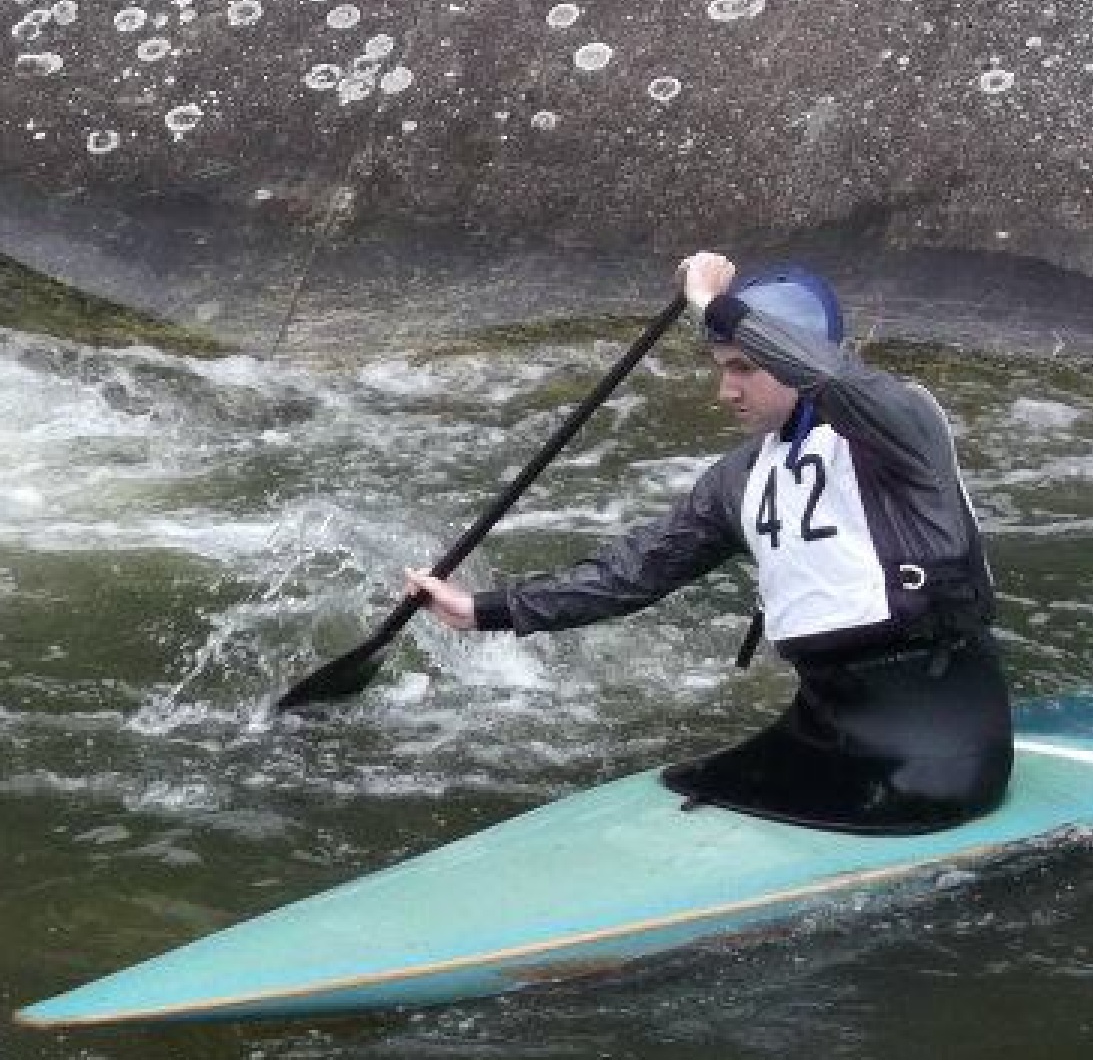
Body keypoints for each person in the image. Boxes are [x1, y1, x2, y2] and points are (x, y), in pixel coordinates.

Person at [408, 255, 1011, 835]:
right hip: (828, 721)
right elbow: (637, 571)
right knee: (691, 782)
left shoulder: (900, 428)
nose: (726, 391)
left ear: (794, 355)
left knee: (722, 793)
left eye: (744, 367)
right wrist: (488, 611)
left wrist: (713, 305)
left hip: (938, 740)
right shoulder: (742, 476)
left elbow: (828, 375)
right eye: (722, 367)